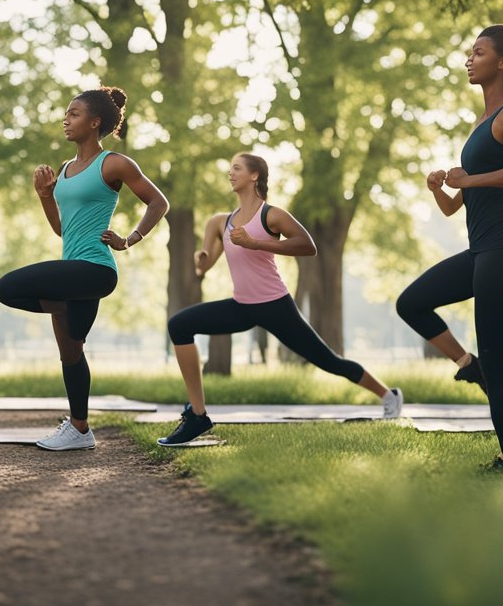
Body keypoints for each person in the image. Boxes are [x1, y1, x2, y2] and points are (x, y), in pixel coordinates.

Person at [159, 153, 404, 446]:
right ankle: (198, 415)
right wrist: (201, 259)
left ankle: (389, 396)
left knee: (328, 361)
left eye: (236, 168)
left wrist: (256, 242)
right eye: (230, 168)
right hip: (242, 306)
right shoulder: (219, 222)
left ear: (254, 176)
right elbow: (205, 265)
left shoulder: (271, 215)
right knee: (179, 325)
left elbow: (308, 245)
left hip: (276, 306)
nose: (230, 173)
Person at [395, 24, 503, 470]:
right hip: (483, 252)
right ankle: (466, 363)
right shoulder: (481, 125)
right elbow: (455, 205)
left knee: (500, 370)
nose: (469, 59)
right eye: (469, 53)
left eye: (478, 53)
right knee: (412, 302)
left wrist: (470, 178)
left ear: (502, 62)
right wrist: (440, 189)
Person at [0, 87, 168, 451]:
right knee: (71, 351)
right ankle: (80, 430)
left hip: (95, 268)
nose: (66, 119)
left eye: (74, 114)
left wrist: (130, 238)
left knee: (6, 288)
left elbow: (159, 202)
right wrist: (45, 196)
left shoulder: (114, 164)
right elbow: (62, 228)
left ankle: (58, 303)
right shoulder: (65, 169)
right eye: (66, 113)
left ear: (94, 122)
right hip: (72, 269)